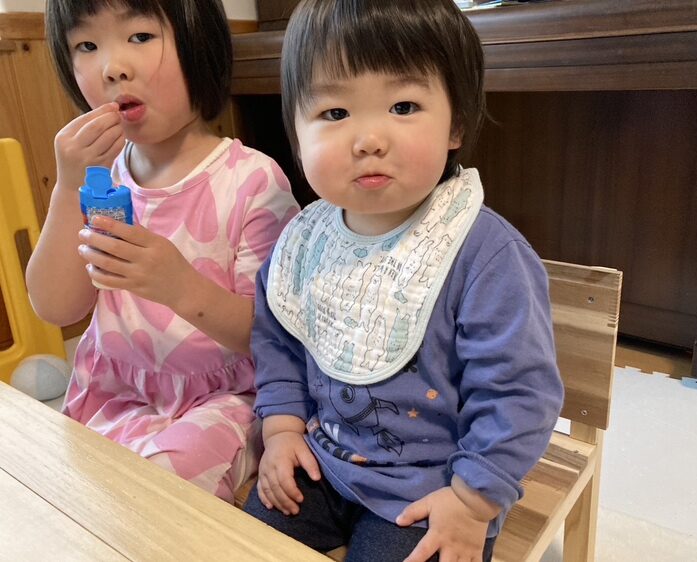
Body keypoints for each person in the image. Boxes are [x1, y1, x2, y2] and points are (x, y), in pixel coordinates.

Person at [242, 0, 565, 560]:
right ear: (295, 128)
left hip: (438, 488)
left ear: (456, 124)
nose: (369, 139)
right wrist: (282, 430)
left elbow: (519, 392)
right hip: (320, 461)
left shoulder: (486, 255)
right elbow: (279, 344)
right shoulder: (305, 240)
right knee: (232, 545)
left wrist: (472, 500)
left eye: (403, 106)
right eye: (335, 112)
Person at [26, 0, 299, 503]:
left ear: (201, 44)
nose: (113, 67)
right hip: (114, 390)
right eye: (87, 45)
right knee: (56, 487)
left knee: (162, 491)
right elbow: (55, 306)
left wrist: (179, 286)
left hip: (223, 397)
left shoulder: (253, 180)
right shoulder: (100, 180)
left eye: (140, 36)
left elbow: (273, 337)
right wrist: (66, 188)